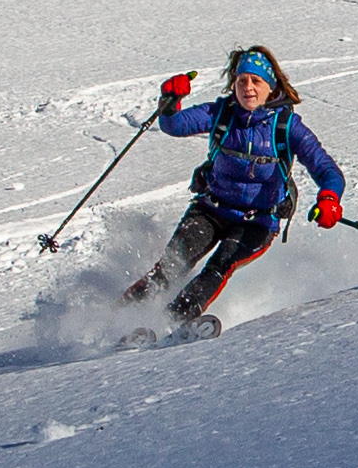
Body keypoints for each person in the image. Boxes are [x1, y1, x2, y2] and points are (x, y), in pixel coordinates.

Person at [119, 46, 344, 339]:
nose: (247, 88)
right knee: (170, 267)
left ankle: (170, 323)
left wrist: (329, 198)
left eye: (256, 81)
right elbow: (173, 125)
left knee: (219, 266)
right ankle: (116, 319)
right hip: (211, 209)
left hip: (257, 222)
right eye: (242, 81)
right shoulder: (222, 113)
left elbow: (327, 169)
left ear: (271, 86)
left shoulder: (287, 126)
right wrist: (170, 99)